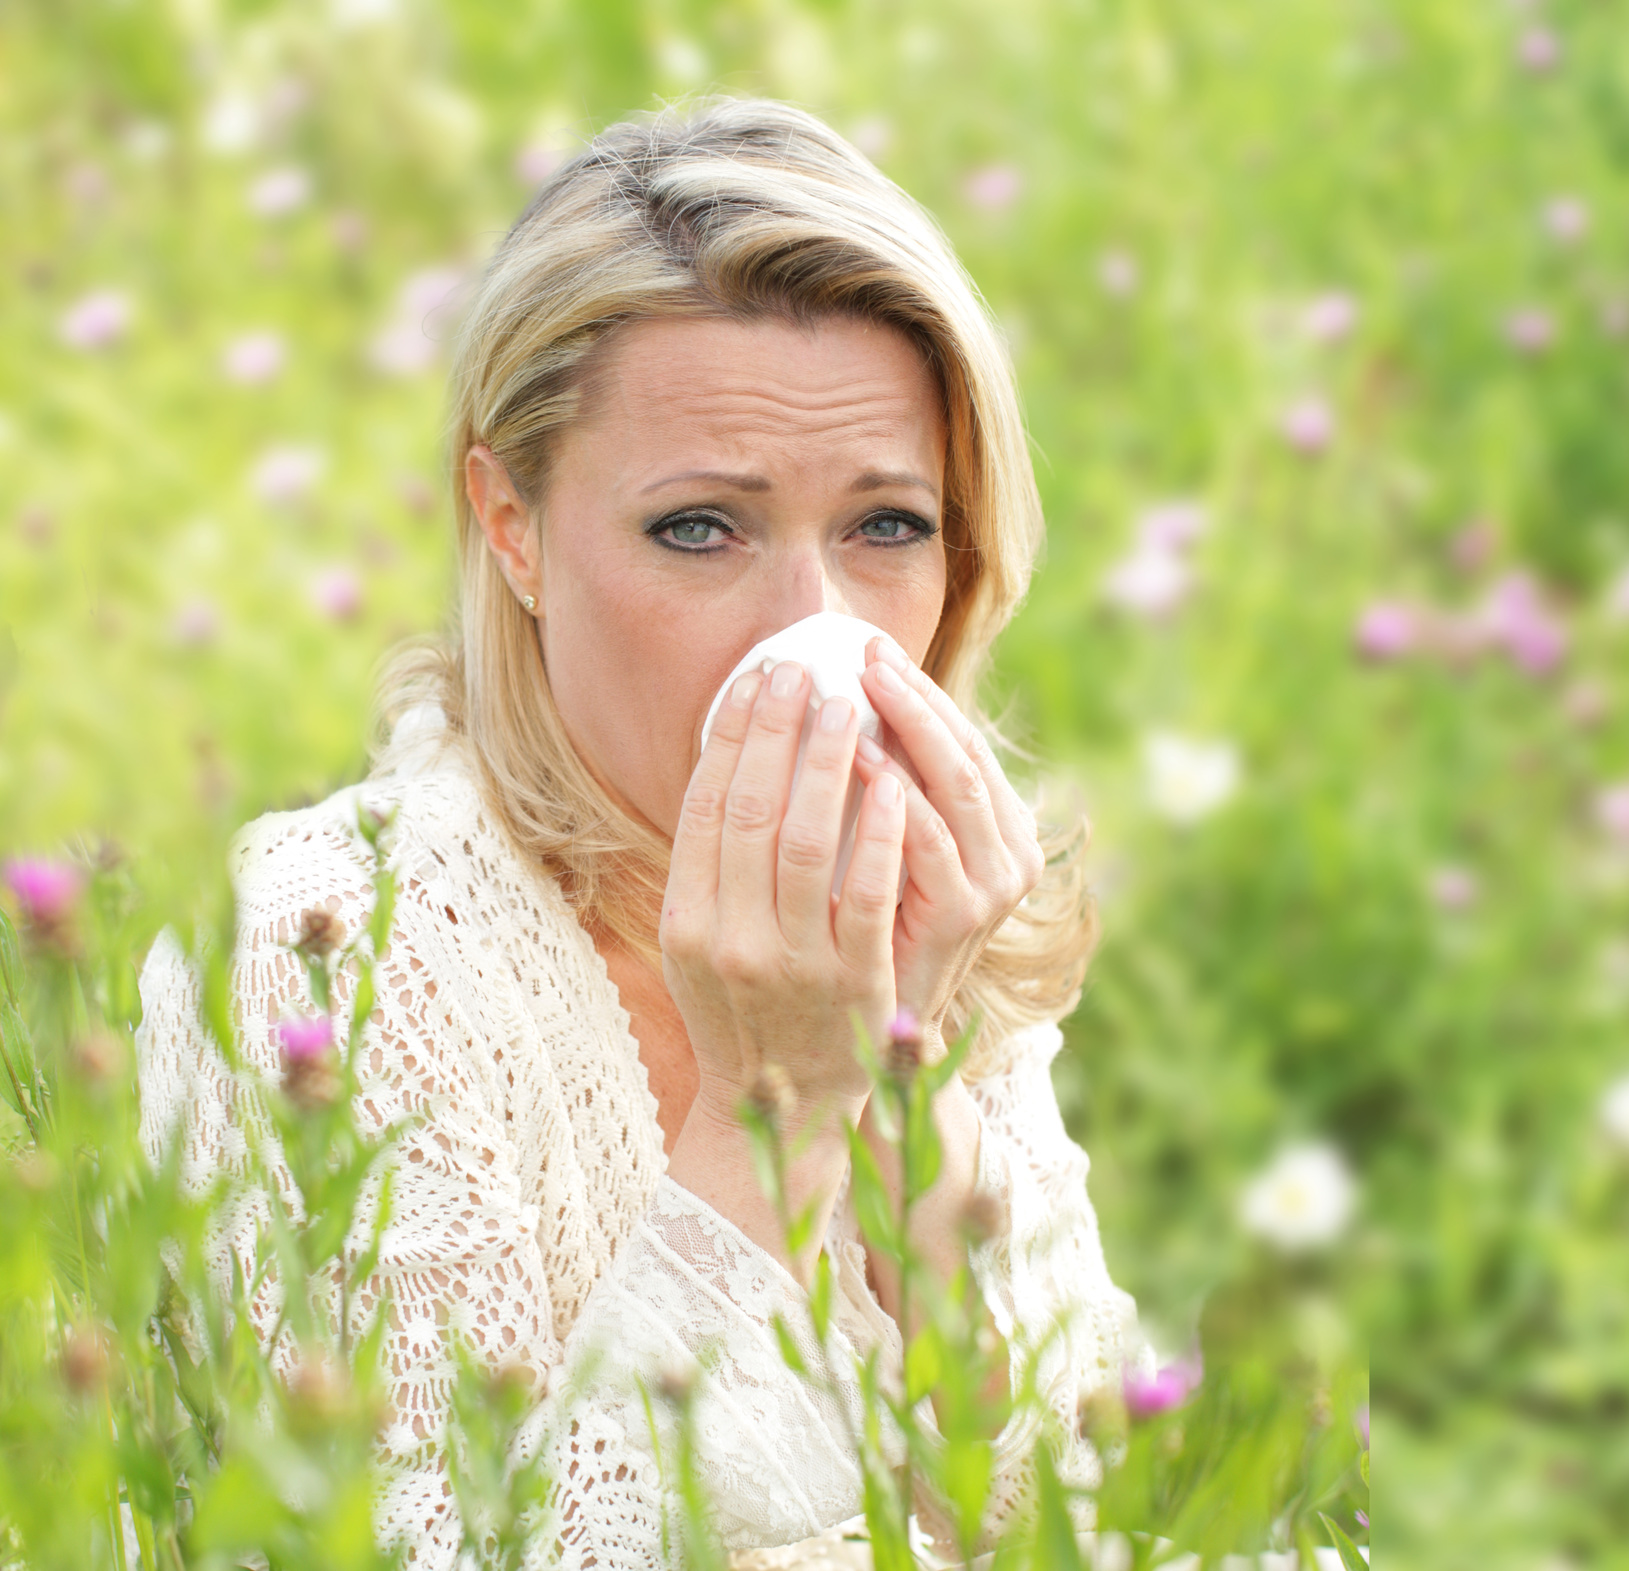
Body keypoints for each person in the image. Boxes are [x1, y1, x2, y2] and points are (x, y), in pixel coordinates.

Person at [133, 97, 1138, 1568]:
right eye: (699, 528)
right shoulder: (323, 953)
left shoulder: (920, 906)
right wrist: (768, 1110)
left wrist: (906, 1101)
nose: (811, 632)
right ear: (513, 526)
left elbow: (1102, 1526)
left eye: (887, 526)